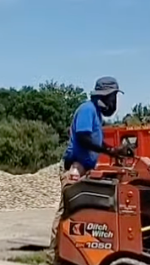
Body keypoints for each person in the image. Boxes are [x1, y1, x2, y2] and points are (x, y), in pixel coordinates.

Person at [47, 77, 128, 255]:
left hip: (84, 166)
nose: (114, 102)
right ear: (106, 96)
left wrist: (113, 150)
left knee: (79, 213)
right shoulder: (87, 110)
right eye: (113, 97)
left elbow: (95, 140)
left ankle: (71, 254)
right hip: (75, 167)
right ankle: (55, 256)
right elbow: (84, 138)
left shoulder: (95, 113)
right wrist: (109, 152)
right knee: (68, 211)